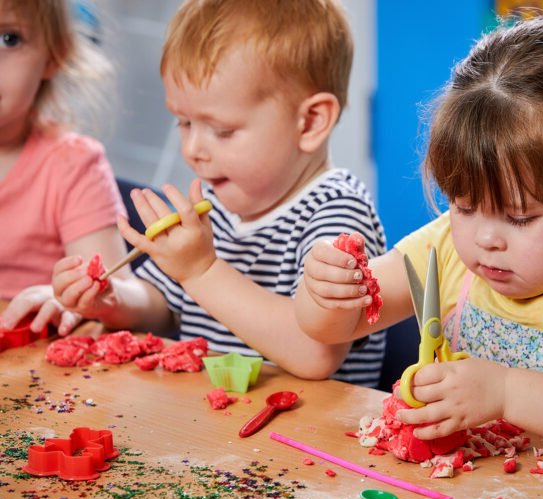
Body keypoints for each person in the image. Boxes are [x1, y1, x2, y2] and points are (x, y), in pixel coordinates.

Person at [295, 15, 543, 459]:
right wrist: (327, 291)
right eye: (464, 206)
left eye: (520, 217)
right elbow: (332, 329)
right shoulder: (446, 247)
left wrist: (506, 392)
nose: (485, 238)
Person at [52, 0, 387, 388]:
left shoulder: (337, 217)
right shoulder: (222, 201)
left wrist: (201, 270)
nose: (193, 148)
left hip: (308, 440)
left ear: (310, 121)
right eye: (184, 122)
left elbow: (315, 353)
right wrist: (113, 301)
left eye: (222, 130)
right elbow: (164, 309)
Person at [0, 0, 128, 336]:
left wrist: (77, 299)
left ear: (54, 55)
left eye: (8, 39)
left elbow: (116, 294)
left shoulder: (73, 164)